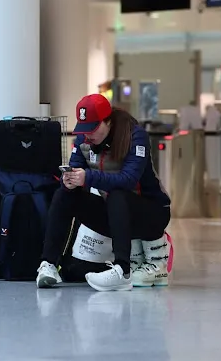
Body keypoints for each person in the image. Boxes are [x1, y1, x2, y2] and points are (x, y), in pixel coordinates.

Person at [36, 94, 171, 291]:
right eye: (83, 129)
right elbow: (75, 172)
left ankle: (122, 270)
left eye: (93, 128)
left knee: (117, 194)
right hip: (114, 214)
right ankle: (48, 264)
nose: (87, 135)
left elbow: (128, 180)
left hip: (151, 213)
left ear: (108, 121)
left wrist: (87, 177)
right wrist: (70, 181)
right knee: (64, 194)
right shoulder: (83, 139)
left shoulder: (135, 136)